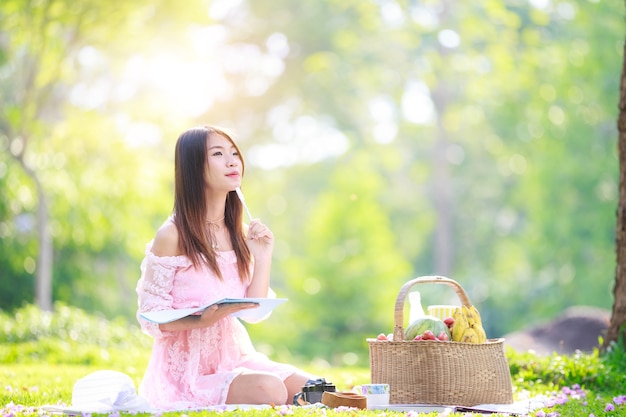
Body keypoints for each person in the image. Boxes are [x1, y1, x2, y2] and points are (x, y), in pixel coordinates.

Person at [136, 125, 317, 409]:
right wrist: (200, 320)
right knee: (270, 389)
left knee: (320, 390)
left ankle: (289, 400)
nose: (233, 161)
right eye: (218, 154)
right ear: (194, 166)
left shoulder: (239, 233)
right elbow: (148, 318)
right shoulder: (172, 234)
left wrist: (263, 257)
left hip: (235, 358)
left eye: (234, 153)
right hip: (188, 373)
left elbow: (254, 312)